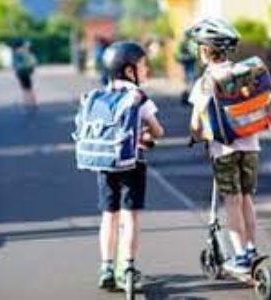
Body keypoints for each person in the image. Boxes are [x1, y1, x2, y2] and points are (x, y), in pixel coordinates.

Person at [187, 18, 260, 274]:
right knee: (247, 199)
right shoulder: (245, 72)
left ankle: (239, 255)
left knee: (232, 201)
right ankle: (252, 248)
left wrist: (196, 136)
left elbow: (195, 123)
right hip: (251, 146)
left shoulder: (206, 82)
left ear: (206, 51)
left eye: (198, 47)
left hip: (224, 150)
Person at [95, 41, 164, 289]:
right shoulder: (138, 97)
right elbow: (158, 131)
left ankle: (106, 267)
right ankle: (128, 267)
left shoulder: (102, 95)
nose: (146, 70)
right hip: (132, 165)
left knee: (109, 215)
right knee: (130, 217)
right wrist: (146, 134)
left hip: (105, 164)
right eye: (143, 66)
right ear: (129, 71)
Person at [11, 39, 38, 111]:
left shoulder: (15, 53)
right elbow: (31, 60)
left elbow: (14, 64)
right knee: (29, 88)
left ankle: (27, 103)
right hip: (26, 71)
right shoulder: (24, 51)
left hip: (20, 72)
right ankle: (33, 102)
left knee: (24, 89)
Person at [175, 35, 197, 105]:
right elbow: (195, 53)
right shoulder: (191, 43)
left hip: (186, 61)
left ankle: (187, 96)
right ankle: (189, 96)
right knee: (191, 78)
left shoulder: (183, 42)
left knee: (189, 78)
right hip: (190, 61)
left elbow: (178, 53)